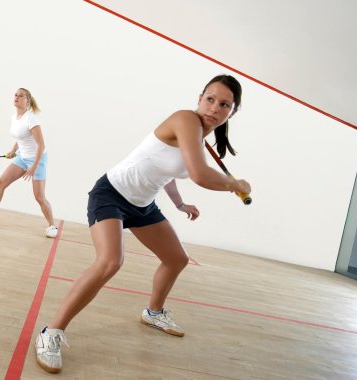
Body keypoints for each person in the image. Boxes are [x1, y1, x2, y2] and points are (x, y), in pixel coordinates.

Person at [34, 75, 252, 373]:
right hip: (110, 194)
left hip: (142, 204)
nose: (214, 107)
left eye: (224, 104)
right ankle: (51, 332)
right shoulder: (186, 119)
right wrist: (233, 183)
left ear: (232, 112)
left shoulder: (198, 136)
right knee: (110, 261)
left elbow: (167, 169)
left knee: (176, 259)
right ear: (199, 98)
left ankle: (154, 312)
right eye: (210, 99)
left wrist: (178, 204)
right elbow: (200, 174)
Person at [0, 88, 58, 238]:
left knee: (39, 197)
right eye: (15, 95)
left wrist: (33, 167)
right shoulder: (15, 117)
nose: (16, 97)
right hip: (22, 158)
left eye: (20, 96)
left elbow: (41, 145)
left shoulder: (32, 119)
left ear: (27, 101)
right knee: (0, 183)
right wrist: (13, 150)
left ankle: (52, 226)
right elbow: (20, 137)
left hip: (38, 159)